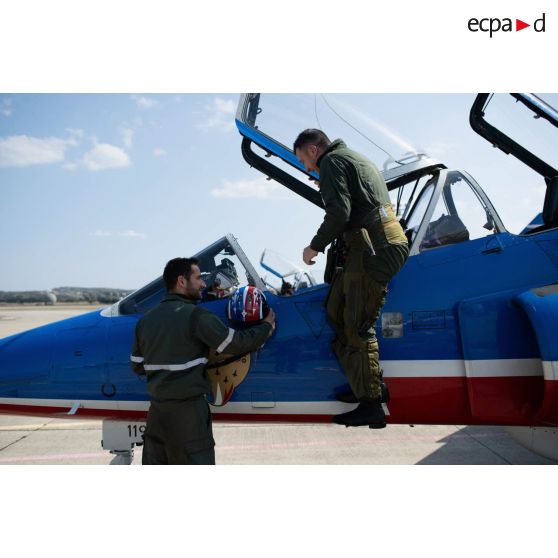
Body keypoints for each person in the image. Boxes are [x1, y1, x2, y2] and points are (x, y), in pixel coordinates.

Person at [293, 129, 409, 428]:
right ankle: (366, 385)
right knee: (336, 312)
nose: (308, 168)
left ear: (313, 149)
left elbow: (340, 213)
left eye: (304, 160)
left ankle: (371, 403)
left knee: (357, 324)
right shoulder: (352, 158)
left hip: (375, 248)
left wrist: (313, 247)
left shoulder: (332, 163)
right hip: (373, 245)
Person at [131, 257, 275, 464]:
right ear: (182, 281)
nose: (203, 283)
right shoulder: (197, 317)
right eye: (198, 278)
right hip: (188, 417)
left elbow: (137, 365)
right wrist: (265, 327)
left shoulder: (145, 321)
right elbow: (236, 344)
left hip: (157, 416)